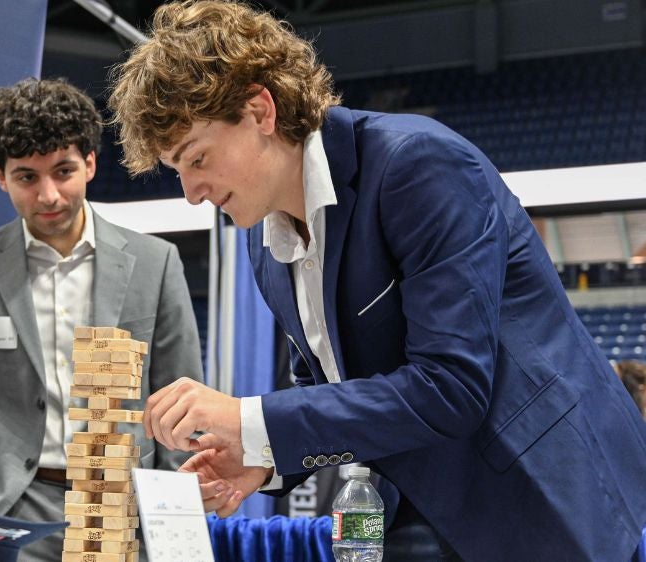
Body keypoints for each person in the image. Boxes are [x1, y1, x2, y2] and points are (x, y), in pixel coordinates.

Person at [108, 2, 646, 560]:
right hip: (398, 499)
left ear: (259, 109)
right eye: (178, 171)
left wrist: (247, 417)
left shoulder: (418, 165)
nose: (191, 191)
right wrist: (264, 456)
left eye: (198, 159)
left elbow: (452, 388)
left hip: (529, 495)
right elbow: (328, 386)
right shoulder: (261, 236)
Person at [0, 78, 204, 561]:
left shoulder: (156, 263)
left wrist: (169, 518)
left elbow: (179, 404)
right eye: (27, 177)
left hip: (118, 504)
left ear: (90, 163)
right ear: (0, 177)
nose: (49, 195)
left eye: (63, 171)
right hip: (4, 509)